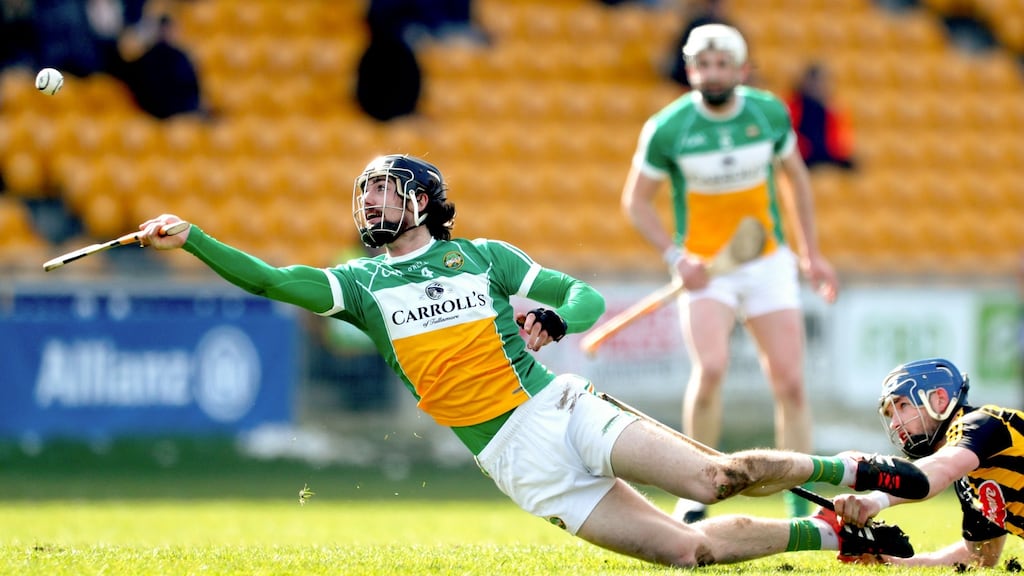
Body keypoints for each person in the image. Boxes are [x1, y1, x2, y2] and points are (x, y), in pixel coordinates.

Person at [136, 154, 924, 568]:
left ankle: (851, 473)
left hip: (558, 409)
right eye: (365, 192)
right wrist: (195, 238)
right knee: (692, 552)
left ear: (424, 200)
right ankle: (839, 539)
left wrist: (548, 314)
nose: (370, 202)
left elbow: (581, 300)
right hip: (516, 463)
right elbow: (273, 279)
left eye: (385, 189)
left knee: (710, 480)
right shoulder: (360, 284)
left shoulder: (482, 257)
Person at [620, 24, 840, 522]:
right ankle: (696, 488)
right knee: (712, 368)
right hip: (706, 270)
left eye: (723, 64)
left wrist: (812, 254)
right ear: (691, 69)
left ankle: (798, 496)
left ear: (742, 69)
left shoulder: (767, 113)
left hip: (765, 261)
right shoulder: (667, 128)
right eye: (704, 64)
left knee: (789, 381)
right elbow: (635, 202)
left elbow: (797, 183)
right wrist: (675, 257)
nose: (713, 73)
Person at [832, 358, 1024, 568]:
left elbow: (940, 468)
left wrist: (875, 500)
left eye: (903, 405)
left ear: (939, 399)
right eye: (890, 415)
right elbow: (980, 556)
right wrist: (889, 562)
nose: (895, 423)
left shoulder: (979, 423)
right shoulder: (968, 478)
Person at [785, 63, 856, 170]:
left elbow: (839, 142)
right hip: (803, 155)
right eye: (815, 81)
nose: (818, 86)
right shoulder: (794, 105)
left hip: (826, 155)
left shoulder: (830, 108)